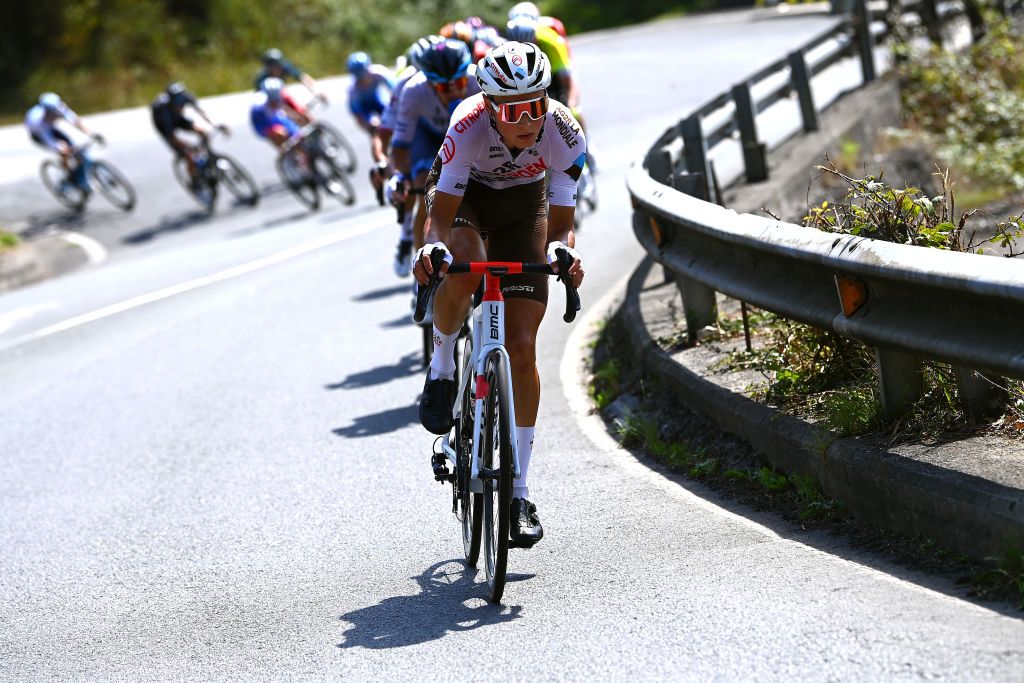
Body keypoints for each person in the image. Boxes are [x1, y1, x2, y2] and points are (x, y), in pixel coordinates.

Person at [413, 41, 586, 546]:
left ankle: (518, 493)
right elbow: (440, 219)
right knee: (466, 267)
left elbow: (562, 224)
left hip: (523, 207)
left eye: (536, 105)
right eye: (513, 110)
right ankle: (443, 365)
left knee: (525, 346)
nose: (527, 120)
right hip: (465, 200)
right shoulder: (467, 125)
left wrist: (563, 252)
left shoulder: (565, 132)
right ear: (490, 106)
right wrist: (432, 252)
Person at [388, 39, 477, 281]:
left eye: (458, 83)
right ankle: (423, 277)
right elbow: (400, 146)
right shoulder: (414, 90)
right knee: (424, 189)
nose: (453, 91)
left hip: (470, 137)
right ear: (429, 82)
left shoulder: (479, 80)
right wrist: (397, 176)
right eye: (443, 87)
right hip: (429, 138)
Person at [374, 35, 445, 276]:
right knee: (421, 185)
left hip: (452, 132)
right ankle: (409, 243)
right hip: (422, 134)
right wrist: (384, 162)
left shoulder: (458, 77)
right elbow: (386, 132)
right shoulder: (407, 85)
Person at [151, 82, 229, 185]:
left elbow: (201, 112)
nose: (179, 104)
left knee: (203, 132)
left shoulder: (185, 96)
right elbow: (171, 137)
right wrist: (188, 146)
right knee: (189, 154)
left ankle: (209, 158)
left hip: (178, 118)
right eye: (176, 102)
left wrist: (214, 125)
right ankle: (194, 180)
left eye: (180, 101)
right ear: (171, 101)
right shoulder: (164, 113)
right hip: (164, 125)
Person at [25, 92, 104, 188]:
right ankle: (69, 177)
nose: (54, 114)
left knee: (76, 151)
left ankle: (77, 175)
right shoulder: (37, 119)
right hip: (39, 135)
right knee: (64, 150)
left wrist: (92, 134)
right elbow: (47, 138)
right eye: (51, 113)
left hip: (50, 129)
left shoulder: (59, 108)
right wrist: (60, 147)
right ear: (45, 110)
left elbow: (76, 122)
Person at [249, 77, 311, 152]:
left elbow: (293, 110)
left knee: (298, 133)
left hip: (277, 116)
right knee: (280, 133)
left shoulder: (283, 95)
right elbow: (261, 126)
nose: (275, 101)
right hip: (264, 123)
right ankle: (286, 153)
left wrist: (299, 117)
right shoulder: (258, 106)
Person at [346, 52, 395, 138]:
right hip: (364, 108)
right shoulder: (352, 90)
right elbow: (358, 115)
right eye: (359, 79)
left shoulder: (379, 72)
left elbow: (395, 89)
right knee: (375, 130)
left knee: (391, 116)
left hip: (378, 99)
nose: (363, 81)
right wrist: (369, 125)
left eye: (365, 76)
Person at [254, 48, 327, 103]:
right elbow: (260, 98)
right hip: (271, 102)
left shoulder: (284, 67)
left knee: (301, 112)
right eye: (274, 66)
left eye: (278, 65)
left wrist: (317, 91)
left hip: (283, 95)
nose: (278, 68)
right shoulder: (261, 79)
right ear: (268, 67)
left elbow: (302, 77)